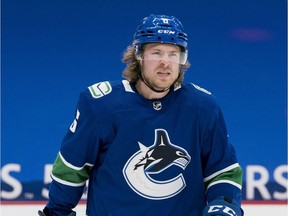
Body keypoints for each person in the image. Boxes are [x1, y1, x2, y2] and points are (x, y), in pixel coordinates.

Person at [39, 14, 244, 216]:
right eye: (157, 52)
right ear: (138, 55)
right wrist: (57, 211)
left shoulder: (202, 106)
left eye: (173, 54)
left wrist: (224, 207)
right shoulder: (101, 105)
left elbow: (223, 171)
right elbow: (72, 168)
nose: (165, 62)